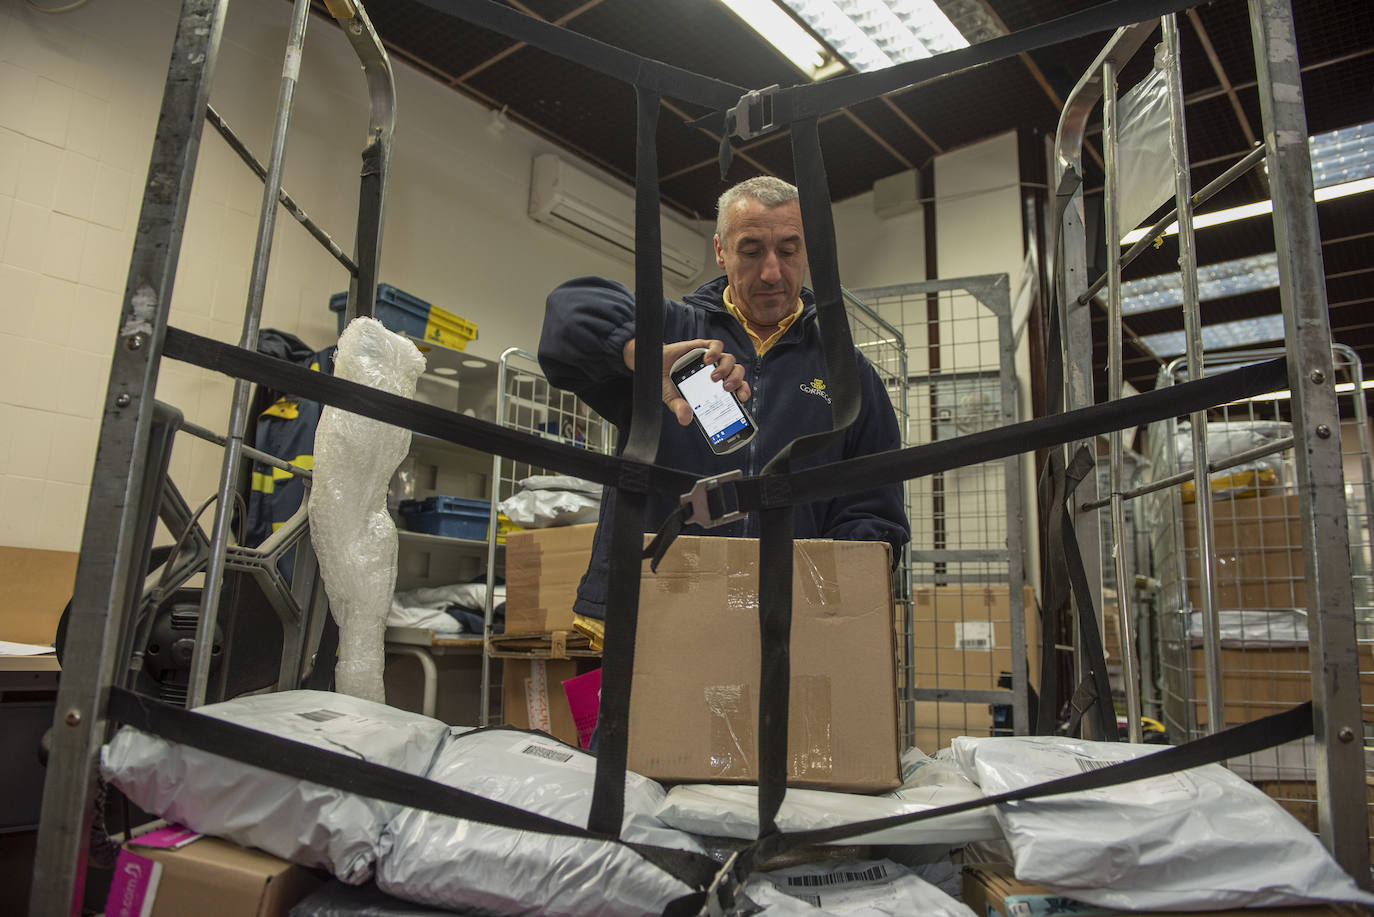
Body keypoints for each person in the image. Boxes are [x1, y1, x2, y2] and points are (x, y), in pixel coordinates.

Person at [538, 175, 910, 622]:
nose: (772, 272)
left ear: (806, 252)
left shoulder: (847, 374)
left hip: (787, 618)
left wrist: (825, 593)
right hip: (654, 605)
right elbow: (568, 312)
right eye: (751, 251)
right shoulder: (674, 333)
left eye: (789, 251)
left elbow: (874, 511)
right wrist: (641, 353)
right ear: (720, 251)